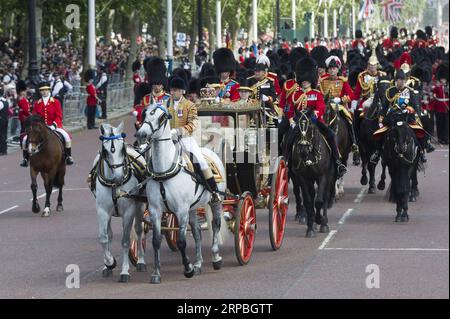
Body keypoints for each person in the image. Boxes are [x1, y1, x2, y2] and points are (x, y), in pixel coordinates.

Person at [285, 57, 347, 178]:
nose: (305, 83)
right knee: (289, 139)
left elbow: (321, 107)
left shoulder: (316, 93)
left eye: (307, 81)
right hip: (299, 122)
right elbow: (290, 109)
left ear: (311, 81)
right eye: (303, 81)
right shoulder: (295, 94)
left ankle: (337, 162)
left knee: (330, 135)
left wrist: (316, 114)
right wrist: (291, 120)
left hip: (314, 121)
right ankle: (287, 162)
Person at [165, 76, 222, 202]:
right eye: (171, 90)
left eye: (175, 90)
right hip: (168, 140)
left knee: (201, 161)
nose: (172, 92)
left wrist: (179, 130)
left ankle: (213, 191)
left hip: (185, 139)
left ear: (182, 91)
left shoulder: (189, 105)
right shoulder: (165, 104)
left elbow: (193, 124)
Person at [371, 70, 427, 163]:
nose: (402, 82)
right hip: (393, 116)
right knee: (380, 133)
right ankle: (377, 152)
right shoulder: (390, 91)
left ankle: (421, 152)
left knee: (419, 131)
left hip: (407, 116)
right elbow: (385, 107)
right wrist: (381, 120)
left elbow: (415, 106)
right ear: (396, 81)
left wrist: (411, 111)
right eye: (400, 80)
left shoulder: (409, 91)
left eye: (403, 80)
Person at [20, 82, 74, 166]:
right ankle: (25, 159)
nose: (44, 92)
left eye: (46, 90)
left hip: (54, 126)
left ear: (49, 90)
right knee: (24, 139)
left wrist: (54, 125)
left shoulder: (56, 102)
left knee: (66, 137)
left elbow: (59, 115)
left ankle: (68, 156)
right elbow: (34, 117)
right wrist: (36, 126)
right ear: (40, 91)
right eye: (42, 90)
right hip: (40, 128)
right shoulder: (37, 103)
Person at [319, 55, 360, 165]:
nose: (332, 70)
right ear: (328, 70)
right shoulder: (322, 81)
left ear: (337, 70)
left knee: (349, 119)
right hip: (326, 106)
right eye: (330, 69)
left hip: (339, 106)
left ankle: (354, 143)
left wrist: (341, 99)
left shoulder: (343, 81)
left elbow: (351, 95)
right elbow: (319, 94)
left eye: (334, 68)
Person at [432, 63, 449, 144]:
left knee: (447, 124)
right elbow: (433, 95)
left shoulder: (447, 87)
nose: (443, 81)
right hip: (439, 107)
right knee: (440, 123)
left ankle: (446, 138)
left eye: (444, 79)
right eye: (442, 79)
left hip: (447, 107)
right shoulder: (436, 87)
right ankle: (441, 138)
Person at [0, 86, 8, 156]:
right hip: (5, 119)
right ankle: (4, 149)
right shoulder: (5, 100)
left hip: (1, 120)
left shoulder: (0, 102)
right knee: (3, 135)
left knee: (1, 136)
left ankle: (2, 150)